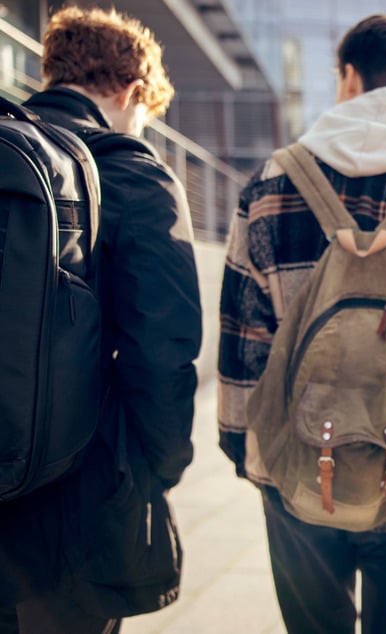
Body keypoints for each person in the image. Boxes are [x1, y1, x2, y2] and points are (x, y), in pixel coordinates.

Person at [217, 14, 386, 634]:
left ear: (349, 77)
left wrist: (243, 447)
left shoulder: (273, 181)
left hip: (298, 464)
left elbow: (242, 331)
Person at [0, 6, 202, 634]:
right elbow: (162, 351)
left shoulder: (10, 152)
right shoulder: (137, 175)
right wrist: (162, 468)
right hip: (77, 501)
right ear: (132, 91)